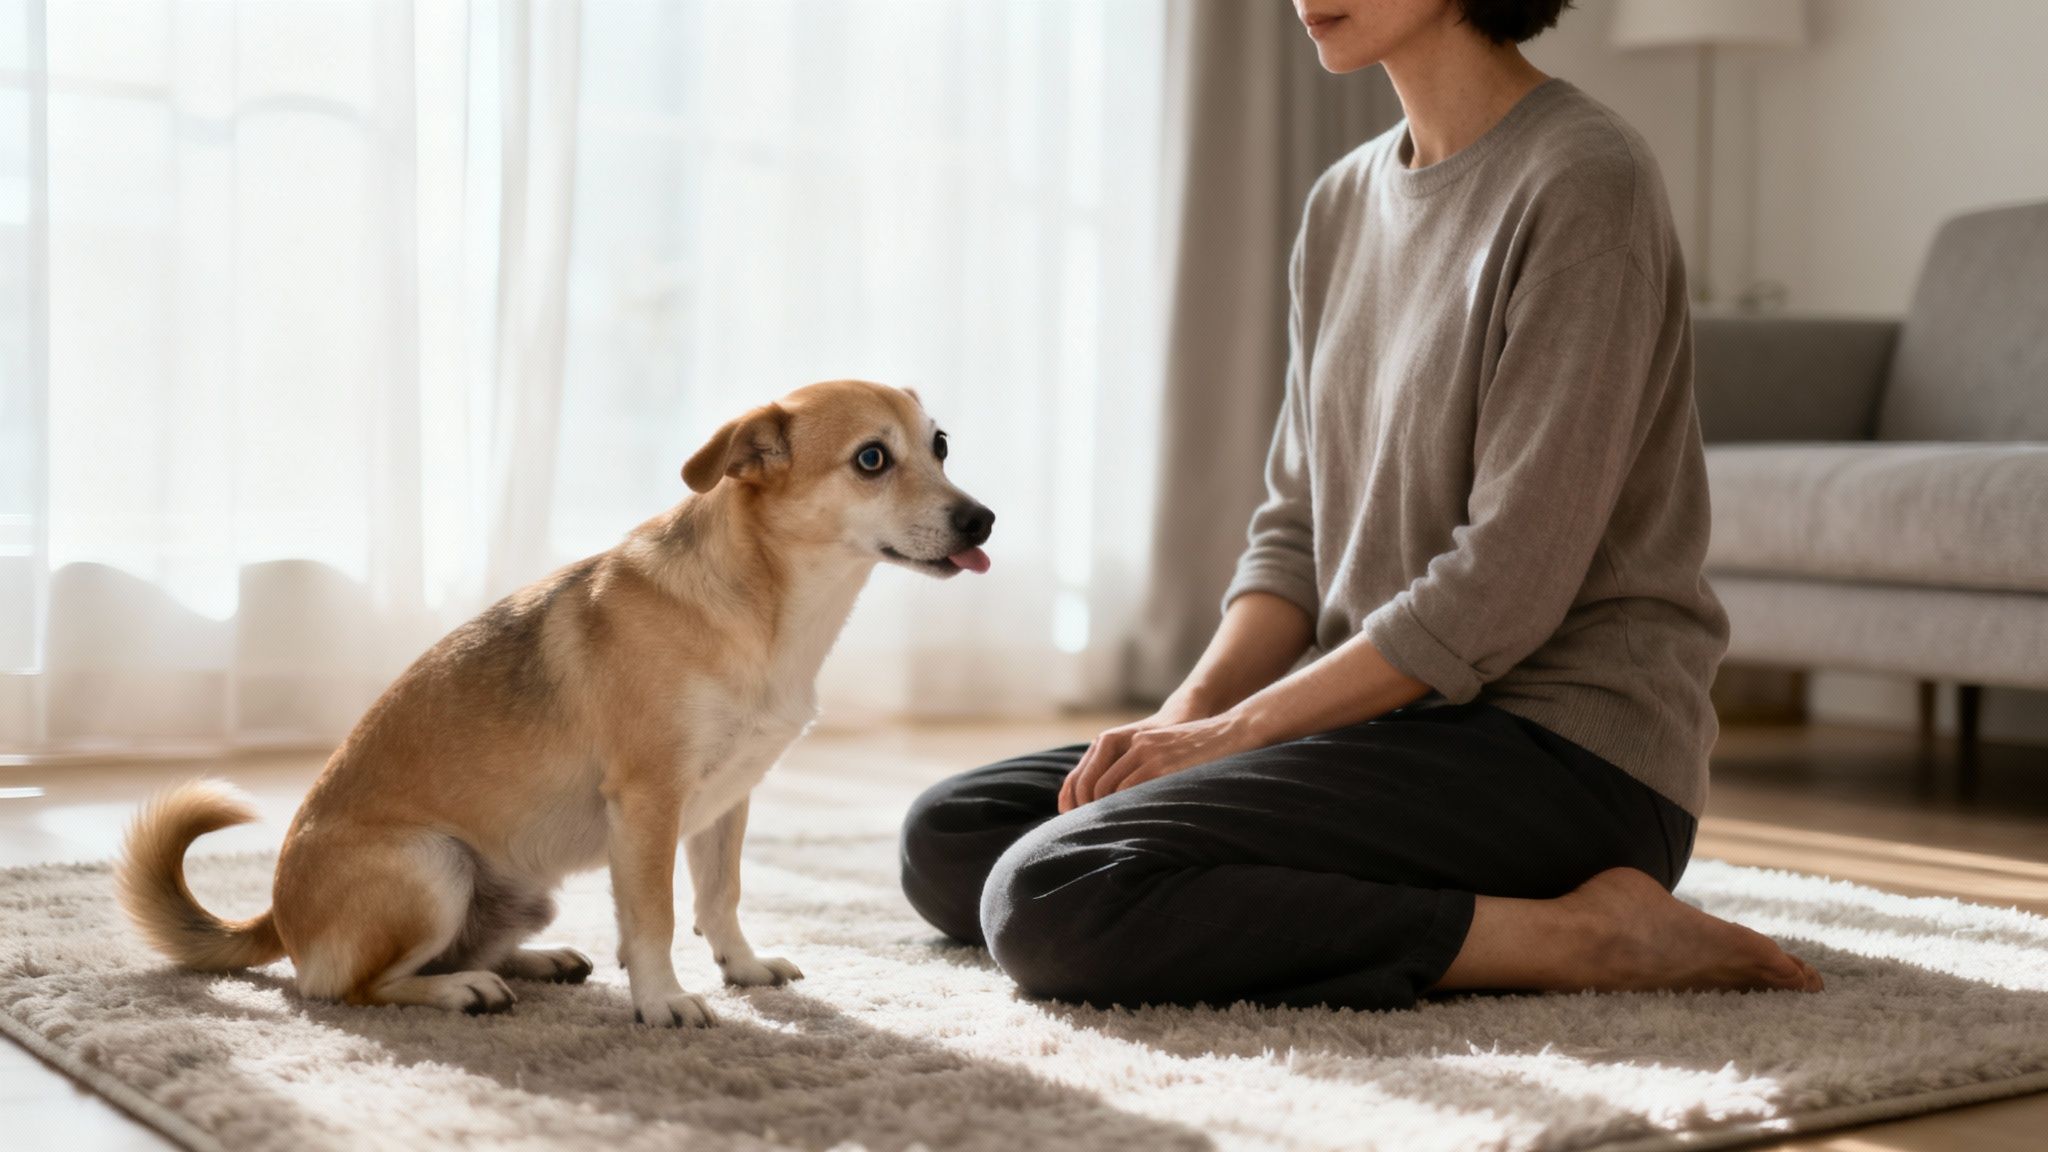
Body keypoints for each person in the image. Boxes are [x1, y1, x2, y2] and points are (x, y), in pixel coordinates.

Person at [898, 0, 1825, 1011]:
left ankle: (1583, 936)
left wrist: (1230, 740)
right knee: (953, 838)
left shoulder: (1583, 178)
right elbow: (1292, 534)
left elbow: (1504, 585)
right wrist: (1181, 720)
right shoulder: (1342, 201)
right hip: (1378, 728)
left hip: (1564, 754)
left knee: (1051, 896)